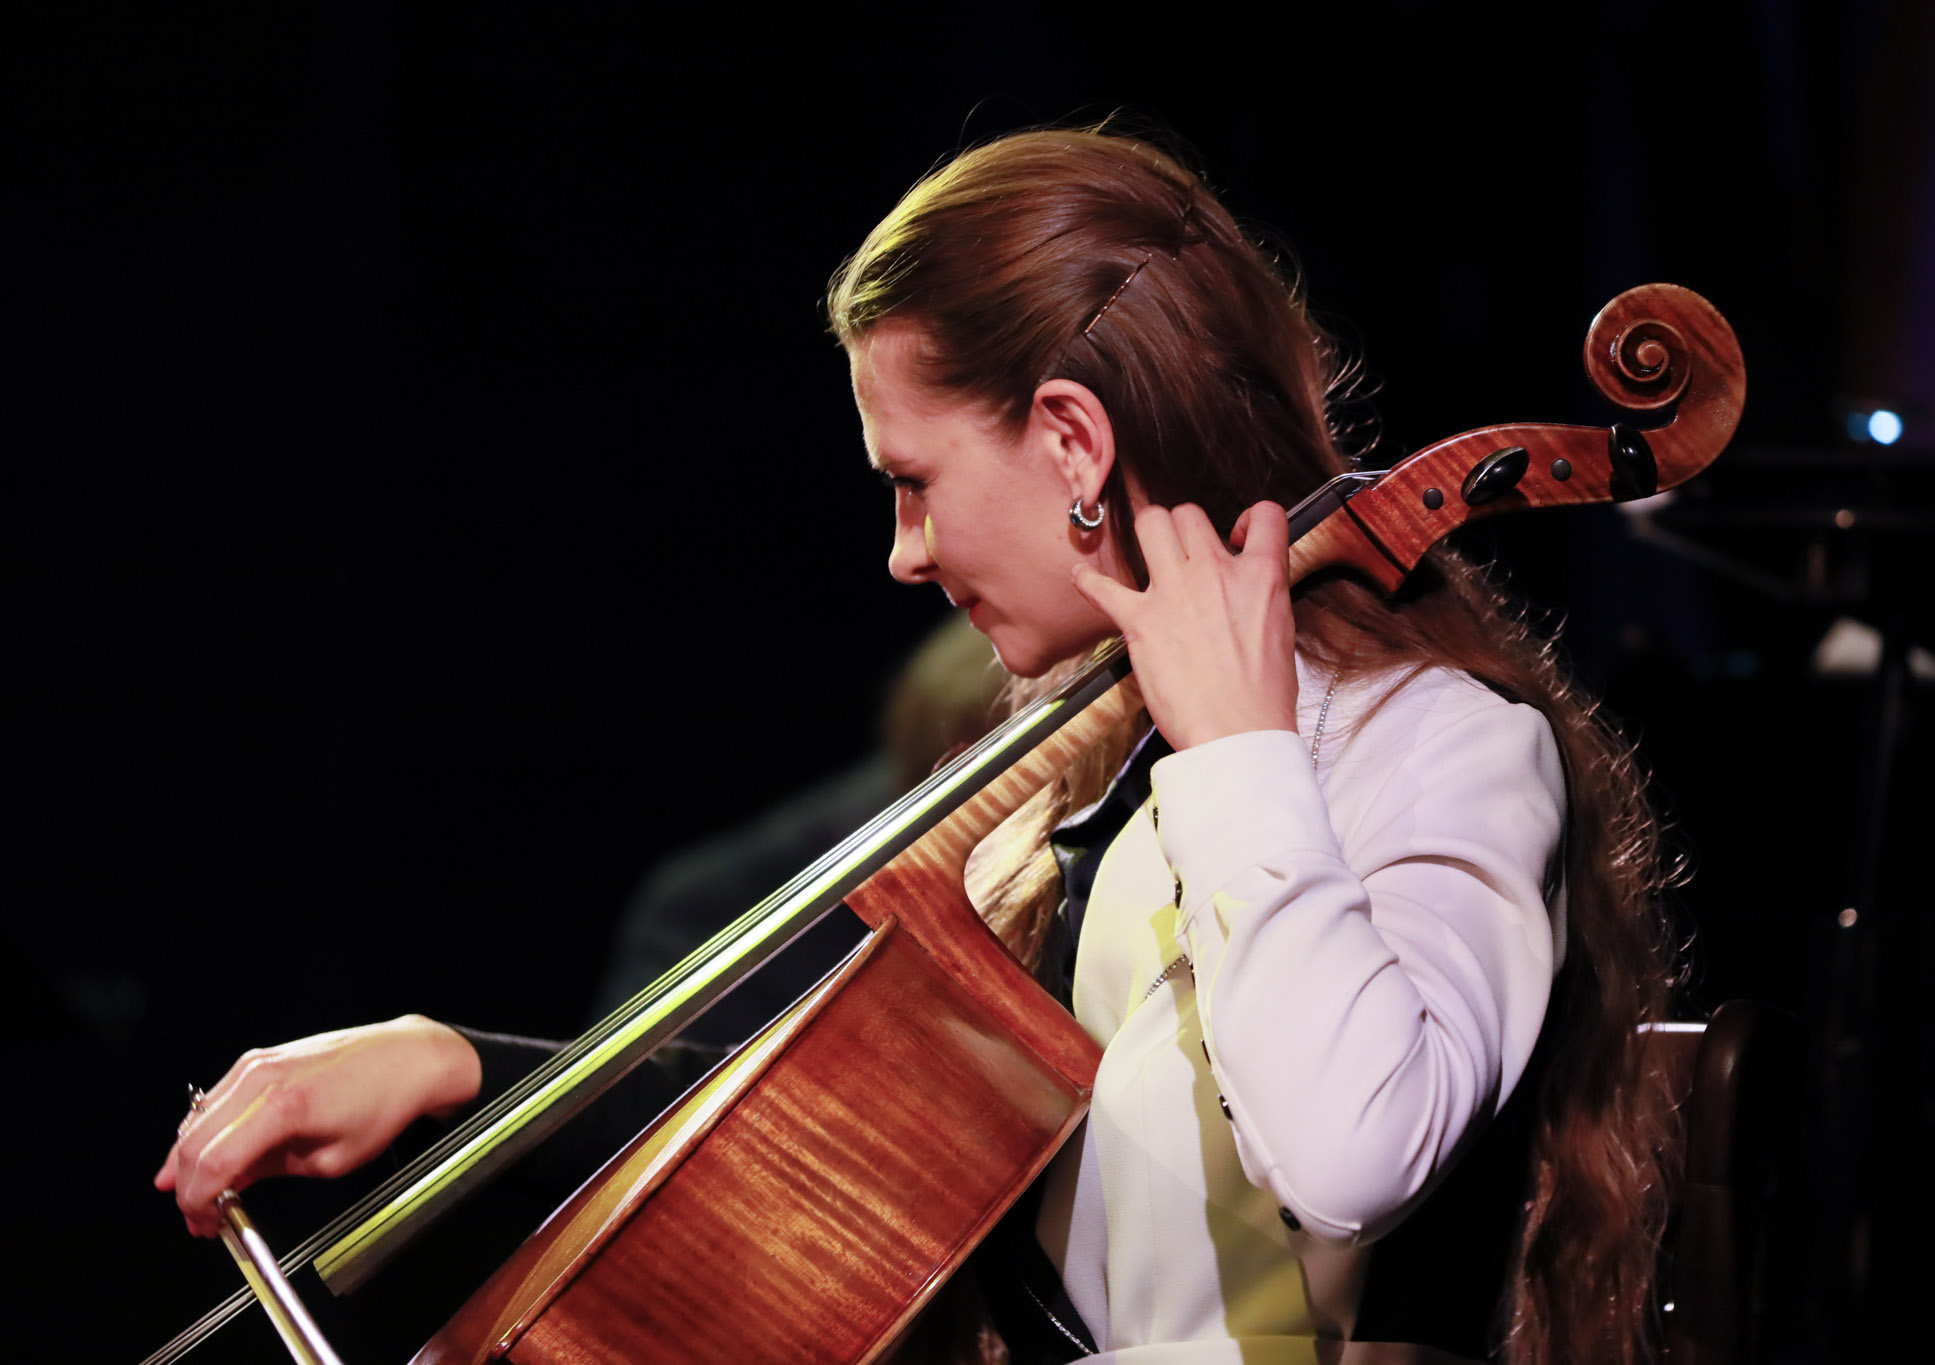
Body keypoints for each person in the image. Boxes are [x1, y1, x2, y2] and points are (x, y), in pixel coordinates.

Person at [157, 128, 1679, 1365]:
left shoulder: (1436, 753)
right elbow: (848, 1144)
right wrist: (453, 1069)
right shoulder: (1092, 766)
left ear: (1075, 443)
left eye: (915, 479)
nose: (902, 551)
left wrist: (1237, 748)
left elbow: (1355, 1150)